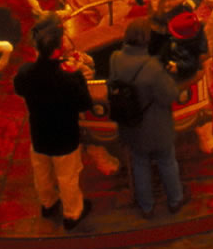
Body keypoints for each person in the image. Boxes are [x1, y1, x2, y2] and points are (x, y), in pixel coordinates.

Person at [12, 12, 93, 230]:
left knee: (42, 172)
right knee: (67, 176)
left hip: (39, 132)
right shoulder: (67, 79)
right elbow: (85, 104)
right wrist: (77, 75)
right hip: (65, 136)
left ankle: (48, 204)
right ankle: (72, 213)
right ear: (57, 50)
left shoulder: (25, 72)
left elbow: (19, 89)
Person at [108, 16, 185, 218]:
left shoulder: (115, 58)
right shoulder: (152, 68)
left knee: (139, 164)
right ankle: (175, 200)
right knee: (167, 161)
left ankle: (146, 206)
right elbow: (170, 95)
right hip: (156, 127)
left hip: (131, 125)